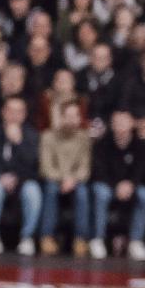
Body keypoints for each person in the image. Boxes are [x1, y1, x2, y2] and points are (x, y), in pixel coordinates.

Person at [90, 109, 145, 261]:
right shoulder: (102, 144)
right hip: (109, 185)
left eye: (124, 122)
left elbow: (143, 169)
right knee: (100, 192)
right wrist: (115, 186)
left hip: (132, 185)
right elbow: (99, 171)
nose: (120, 126)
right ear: (112, 125)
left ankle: (136, 241)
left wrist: (131, 184)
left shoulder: (141, 145)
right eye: (117, 123)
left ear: (132, 124)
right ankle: (98, 239)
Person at [0, 94, 42, 256]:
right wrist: (1, 176)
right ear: (4, 112)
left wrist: (18, 143)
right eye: (11, 111)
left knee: (33, 191)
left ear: (24, 114)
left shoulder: (31, 135)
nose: (15, 115)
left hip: (23, 179)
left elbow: (34, 165)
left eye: (19, 111)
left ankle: (27, 237)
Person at [38, 98, 93, 255]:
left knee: (82, 192)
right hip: (55, 179)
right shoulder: (48, 136)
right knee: (50, 189)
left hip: (76, 180)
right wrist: (64, 179)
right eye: (67, 116)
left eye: (75, 116)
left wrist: (72, 180)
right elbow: (46, 167)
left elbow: (85, 168)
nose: (71, 119)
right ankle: (46, 237)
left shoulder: (84, 138)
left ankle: (81, 239)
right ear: (61, 117)